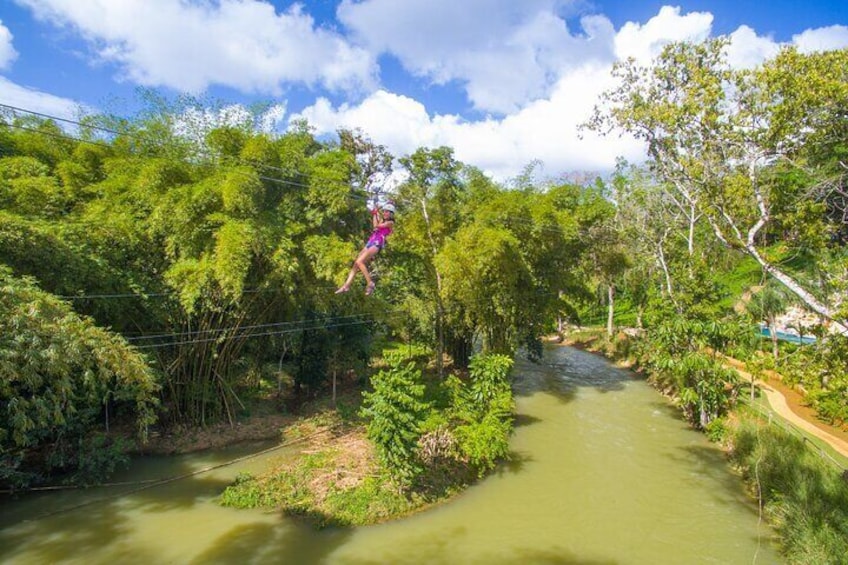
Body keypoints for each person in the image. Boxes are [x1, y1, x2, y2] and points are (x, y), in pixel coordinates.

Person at [335, 201, 396, 295]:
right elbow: (375, 225)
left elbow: (377, 226)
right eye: (384, 211)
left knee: (360, 262)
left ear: (391, 214)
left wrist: (376, 213)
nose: (384, 213)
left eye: (387, 212)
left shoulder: (390, 223)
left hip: (377, 243)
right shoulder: (382, 220)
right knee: (356, 263)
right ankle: (346, 286)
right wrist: (375, 212)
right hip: (370, 242)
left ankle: (370, 283)